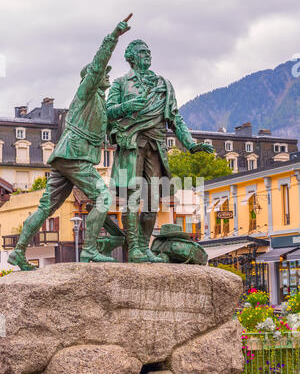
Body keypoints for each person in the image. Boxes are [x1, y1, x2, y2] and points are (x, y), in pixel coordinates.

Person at [8, 16, 132, 271]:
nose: (107, 76)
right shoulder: (86, 92)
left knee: (46, 207)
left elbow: (108, 125)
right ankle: (90, 250)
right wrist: (113, 37)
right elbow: (98, 64)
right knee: (103, 197)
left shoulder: (98, 102)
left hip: (67, 158)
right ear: (92, 77)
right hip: (74, 156)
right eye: (103, 74)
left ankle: (18, 252)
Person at [107, 39, 214, 263]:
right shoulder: (120, 84)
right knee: (132, 197)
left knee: (153, 200)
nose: (148, 55)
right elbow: (107, 113)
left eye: (149, 52)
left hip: (155, 147)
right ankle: (134, 248)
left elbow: (176, 118)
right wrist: (127, 107)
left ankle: (144, 248)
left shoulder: (163, 84)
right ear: (131, 58)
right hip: (131, 145)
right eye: (143, 52)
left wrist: (191, 144)